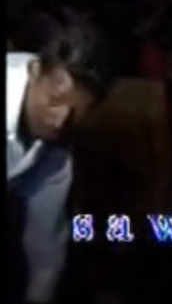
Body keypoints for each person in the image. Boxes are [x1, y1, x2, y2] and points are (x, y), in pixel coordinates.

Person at [6, 35, 107, 304]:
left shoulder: (56, 155)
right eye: (54, 100)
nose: (60, 120)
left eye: (74, 112)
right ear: (35, 72)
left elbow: (45, 249)